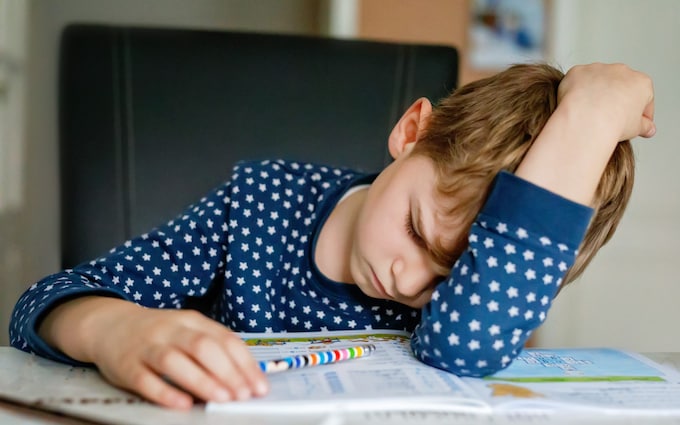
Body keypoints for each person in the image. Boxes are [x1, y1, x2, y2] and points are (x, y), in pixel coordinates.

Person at [9, 62, 655, 409]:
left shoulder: (467, 311)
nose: (409, 282)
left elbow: (466, 342)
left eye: (450, 282)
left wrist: (591, 118)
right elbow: (48, 297)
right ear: (411, 132)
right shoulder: (260, 204)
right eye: (414, 230)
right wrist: (115, 328)